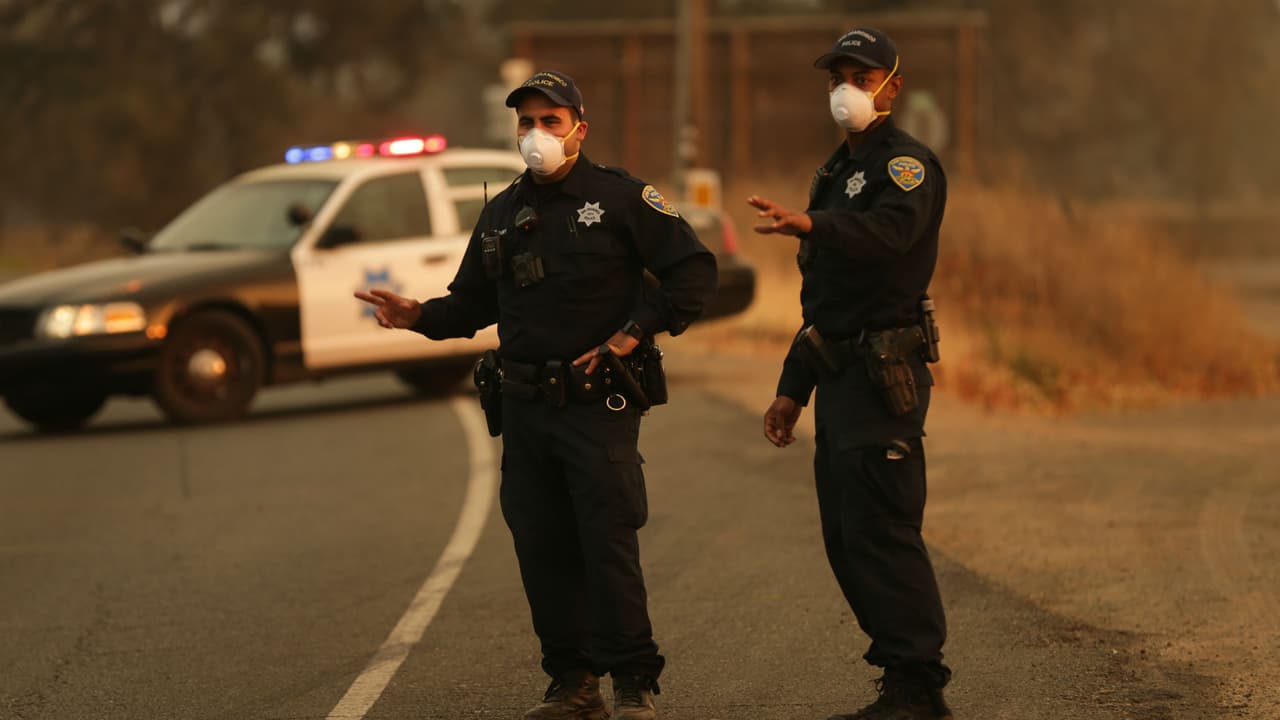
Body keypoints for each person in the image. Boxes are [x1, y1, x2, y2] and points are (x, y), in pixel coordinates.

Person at [356, 69, 717, 720]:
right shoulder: (501, 212)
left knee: (606, 543)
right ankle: (573, 684)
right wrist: (418, 316)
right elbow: (471, 305)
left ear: (580, 129)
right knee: (542, 548)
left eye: (551, 121)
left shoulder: (621, 198)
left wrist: (634, 331)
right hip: (524, 408)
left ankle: (633, 681)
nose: (537, 133)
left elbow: (693, 273)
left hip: (596, 404)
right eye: (527, 121)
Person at [749, 27, 954, 720]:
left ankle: (918, 686)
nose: (846, 91)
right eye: (837, 78)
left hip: (884, 375)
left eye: (861, 79)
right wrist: (792, 388)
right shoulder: (835, 173)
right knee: (846, 537)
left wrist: (813, 225)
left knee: (883, 531)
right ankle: (899, 679)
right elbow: (825, 300)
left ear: (892, 87)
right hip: (838, 378)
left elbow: (891, 235)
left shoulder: (907, 166)